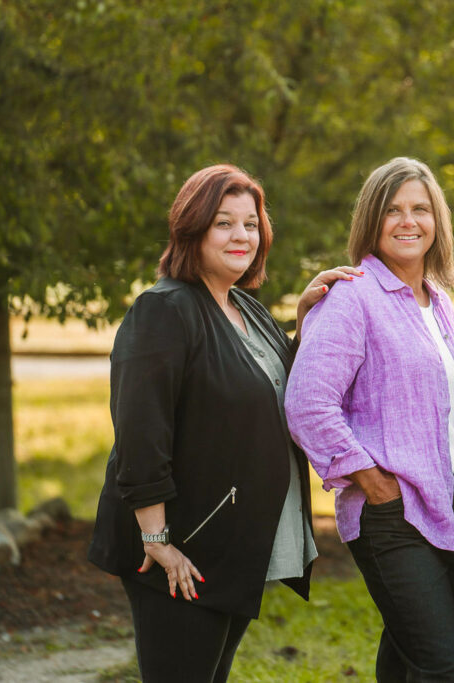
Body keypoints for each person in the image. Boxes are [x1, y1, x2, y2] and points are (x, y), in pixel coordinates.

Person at [88, 164, 358, 682]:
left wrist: (305, 320)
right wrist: (157, 539)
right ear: (192, 229)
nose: (242, 236)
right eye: (223, 223)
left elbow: (274, 389)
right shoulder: (163, 310)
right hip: (178, 547)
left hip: (228, 544)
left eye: (251, 224)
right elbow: (141, 431)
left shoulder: (245, 308)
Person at [284, 157, 454, 682]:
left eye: (421, 209)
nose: (408, 221)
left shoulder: (438, 303)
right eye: (393, 209)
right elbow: (307, 403)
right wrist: (373, 481)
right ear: (372, 221)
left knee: (406, 659)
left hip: (453, 502)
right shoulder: (353, 297)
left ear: (437, 222)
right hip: (395, 513)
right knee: (445, 668)